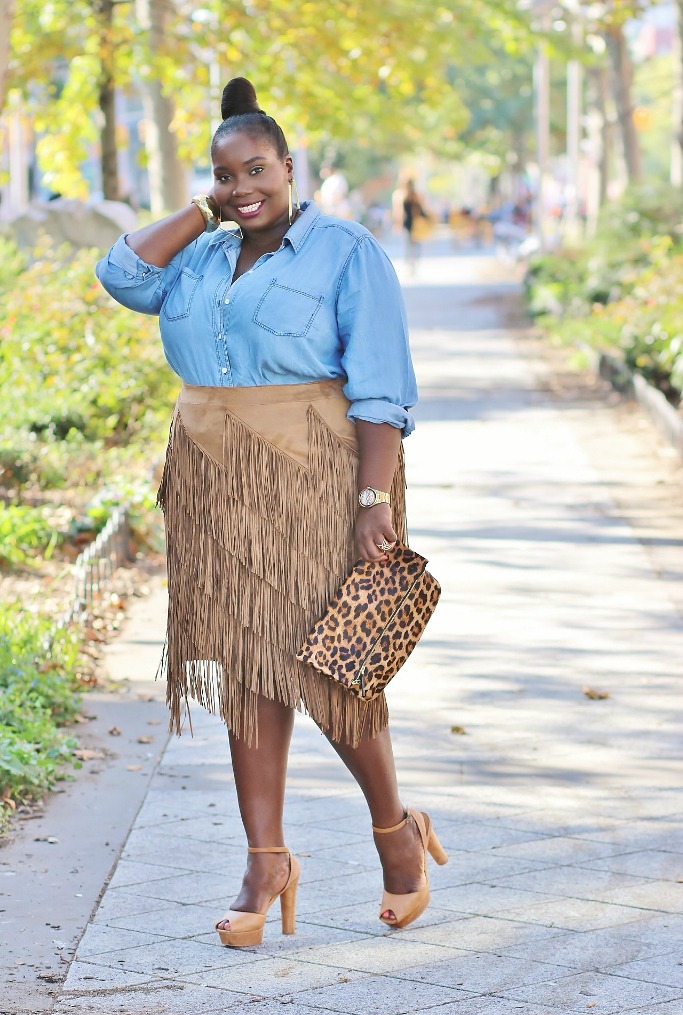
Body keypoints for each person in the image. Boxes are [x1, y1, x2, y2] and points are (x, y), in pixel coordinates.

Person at [96, 77, 447, 949]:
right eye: (224, 175)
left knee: (330, 670)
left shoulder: (344, 250)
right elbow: (119, 274)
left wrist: (374, 497)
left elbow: (380, 387)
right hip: (213, 485)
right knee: (248, 669)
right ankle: (265, 863)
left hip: (316, 478)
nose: (241, 186)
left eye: (255, 169)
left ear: (289, 167)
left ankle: (395, 836)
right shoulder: (203, 254)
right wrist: (199, 212)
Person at [401, 179, 430, 271]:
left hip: (411, 223)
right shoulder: (412, 197)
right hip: (413, 223)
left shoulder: (408, 197)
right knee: (413, 243)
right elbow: (420, 210)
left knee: (411, 243)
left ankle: (412, 261)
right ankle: (413, 261)